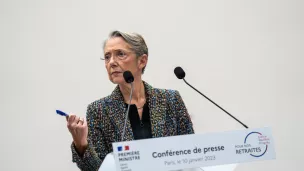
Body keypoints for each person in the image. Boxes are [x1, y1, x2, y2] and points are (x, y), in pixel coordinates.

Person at [66, 30, 194, 171]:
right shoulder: (98, 110)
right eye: (107, 57)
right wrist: (81, 144)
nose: (112, 62)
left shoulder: (171, 100)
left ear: (142, 61)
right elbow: (98, 168)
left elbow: (191, 154)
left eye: (120, 54)